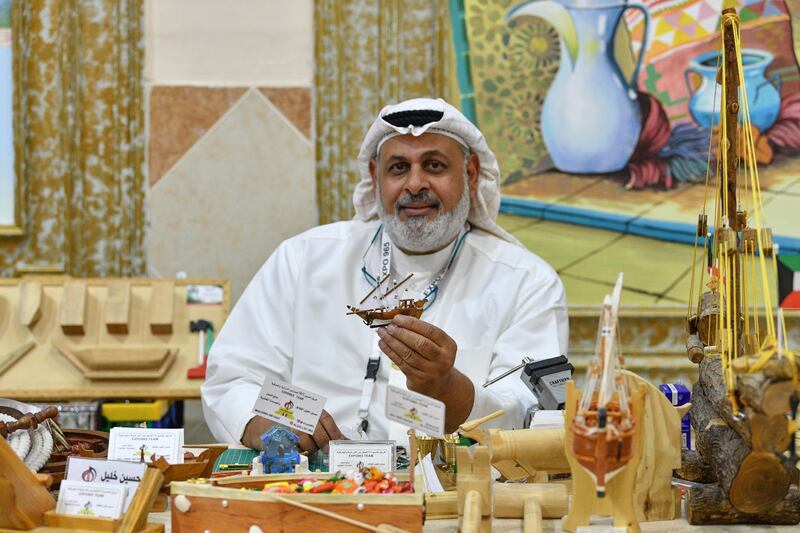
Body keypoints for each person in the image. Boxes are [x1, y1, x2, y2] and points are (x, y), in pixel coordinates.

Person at [202, 97, 569, 452]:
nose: (414, 185)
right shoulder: (302, 261)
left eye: (435, 166)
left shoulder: (525, 282)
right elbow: (234, 378)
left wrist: (447, 389)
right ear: (376, 177)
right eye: (398, 168)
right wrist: (274, 421)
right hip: (316, 488)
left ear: (470, 176)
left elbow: (534, 416)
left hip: (457, 497)